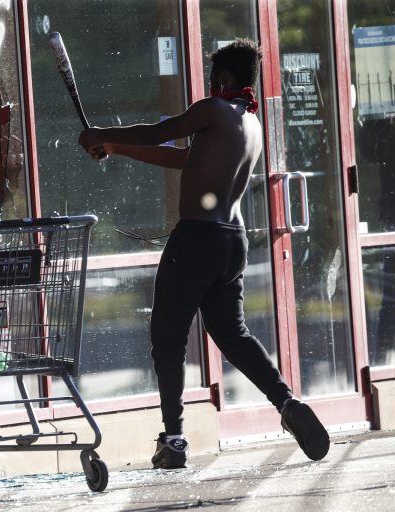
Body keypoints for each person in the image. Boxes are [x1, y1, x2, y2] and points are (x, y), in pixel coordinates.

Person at [78, 39, 330, 468]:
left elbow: (160, 132)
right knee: (233, 335)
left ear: (225, 78)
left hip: (195, 239)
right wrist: (116, 148)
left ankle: (173, 440)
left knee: (167, 339)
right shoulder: (249, 123)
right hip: (232, 241)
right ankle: (286, 403)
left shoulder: (212, 111)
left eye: (215, 78)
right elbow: (183, 159)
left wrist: (101, 133)